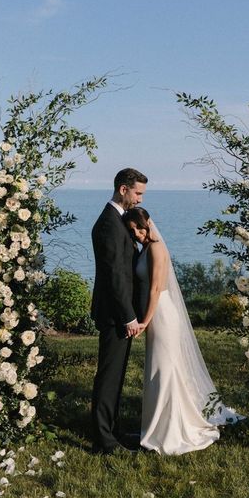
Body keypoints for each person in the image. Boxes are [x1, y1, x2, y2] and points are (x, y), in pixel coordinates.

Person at [122, 207, 244, 455]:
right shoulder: (144, 249)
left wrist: (144, 320)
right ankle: (157, 427)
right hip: (155, 314)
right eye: (131, 230)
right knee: (162, 370)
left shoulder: (156, 248)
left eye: (138, 227)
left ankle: (170, 430)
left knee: (164, 370)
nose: (136, 233)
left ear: (147, 224)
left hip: (162, 314)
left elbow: (156, 289)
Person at [90, 168, 148, 455]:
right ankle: (103, 440)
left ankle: (112, 429)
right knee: (108, 376)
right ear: (123, 189)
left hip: (120, 314)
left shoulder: (118, 221)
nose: (139, 200)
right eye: (137, 193)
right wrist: (129, 316)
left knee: (117, 376)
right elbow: (115, 276)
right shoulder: (108, 224)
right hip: (115, 315)